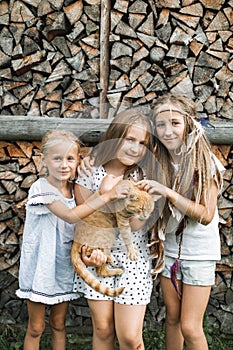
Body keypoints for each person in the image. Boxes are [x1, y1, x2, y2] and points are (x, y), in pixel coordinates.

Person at [16, 129, 130, 350]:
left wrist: (96, 180)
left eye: (70, 159)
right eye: (57, 159)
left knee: (59, 324)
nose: (64, 165)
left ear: (79, 160)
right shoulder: (42, 189)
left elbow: (86, 215)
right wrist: (106, 194)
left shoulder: (74, 190)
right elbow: (70, 215)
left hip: (63, 267)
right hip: (41, 267)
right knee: (36, 327)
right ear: (44, 160)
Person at [137, 93, 225, 350]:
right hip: (170, 250)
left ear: (189, 123)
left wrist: (167, 192)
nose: (167, 131)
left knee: (190, 325)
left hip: (198, 253)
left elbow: (206, 215)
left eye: (174, 123)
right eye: (161, 124)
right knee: (172, 319)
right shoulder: (158, 161)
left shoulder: (203, 161)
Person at [73, 109, 156, 350]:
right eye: (129, 139)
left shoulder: (142, 176)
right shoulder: (90, 171)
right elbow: (86, 220)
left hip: (133, 259)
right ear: (115, 136)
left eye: (142, 143)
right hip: (98, 256)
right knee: (103, 328)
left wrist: (122, 199)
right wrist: (90, 253)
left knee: (130, 337)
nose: (135, 148)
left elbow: (137, 224)